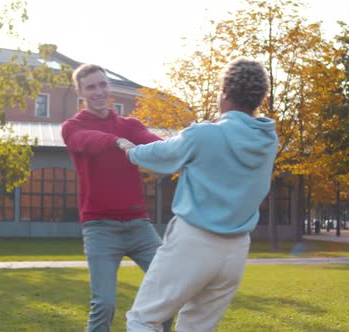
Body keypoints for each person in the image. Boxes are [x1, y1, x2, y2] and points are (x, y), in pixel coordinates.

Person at [121, 57, 278, 331]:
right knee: (195, 327)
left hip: (194, 241)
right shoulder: (268, 140)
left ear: (226, 93)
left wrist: (130, 150)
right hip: (236, 251)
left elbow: (163, 154)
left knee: (143, 319)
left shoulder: (204, 135)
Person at [61, 63, 171, 332]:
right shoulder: (72, 127)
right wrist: (118, 142)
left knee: (170, 291)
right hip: (100, 228)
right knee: (104, 303)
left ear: (108, 87)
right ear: (80, 92)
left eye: (102, 84)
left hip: (139, 225)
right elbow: (87, 140)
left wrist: (174, 149)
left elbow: (151, 141)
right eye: (91, 87)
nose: (98, 91)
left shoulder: (129, 124)